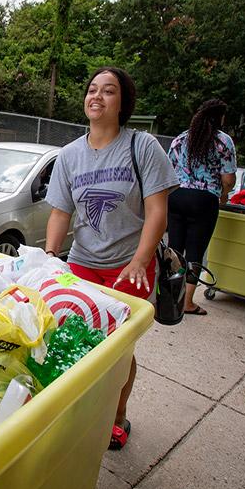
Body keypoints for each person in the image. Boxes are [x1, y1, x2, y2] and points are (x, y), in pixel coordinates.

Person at [44, 67, 178, 450]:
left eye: (108, 91)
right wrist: (52, 257)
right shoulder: (69, 155)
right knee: (70, 339)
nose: (97, 96)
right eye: (91, 90)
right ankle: (77, 410)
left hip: (129, 267)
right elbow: (60, 213)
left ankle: (116, 418)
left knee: (118, 350)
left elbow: (157, 211)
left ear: (123, 103)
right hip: (82, 262)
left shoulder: (143, 146)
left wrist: (140, 260)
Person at [166, 99, 237, 316]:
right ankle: (187, 303)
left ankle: (169, 298)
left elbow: (168, 169)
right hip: (204, 200)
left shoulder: (180, 139)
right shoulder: (223, 141)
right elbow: (228, 178)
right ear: (219, 117)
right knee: (195, 250)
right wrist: (224, 195)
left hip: (176, 196)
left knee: (175, 249)